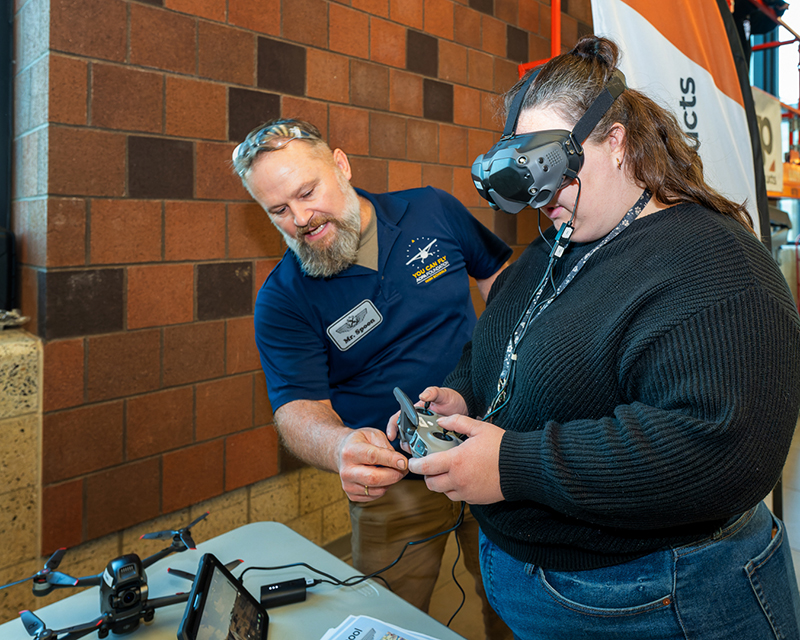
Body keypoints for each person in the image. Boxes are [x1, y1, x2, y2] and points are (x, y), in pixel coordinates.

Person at [395, 36, 800, 640]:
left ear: (616, 142)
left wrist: (513, 466)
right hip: (548, 590)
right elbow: (496, 346)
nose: (542, 197)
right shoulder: (558, 244)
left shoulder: (717, 268)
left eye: (551, 166)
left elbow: (717, 449)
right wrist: (461, 397)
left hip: (664, 601)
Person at [232, 118, 512, 637]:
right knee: (386, 622)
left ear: (341, 164)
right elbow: (297, 410)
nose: (300, 218)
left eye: (307, 192)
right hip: (395, 489)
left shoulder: (431, 208)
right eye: (278, 210)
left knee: (515, 605)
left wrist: (516, 372)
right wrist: (340, 448)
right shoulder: (283, 299)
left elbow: (502, 282)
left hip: (493, 446)